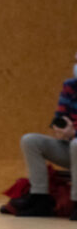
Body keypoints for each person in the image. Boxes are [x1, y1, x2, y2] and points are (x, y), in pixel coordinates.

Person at [13, 51, 77, 219]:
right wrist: (61, 130)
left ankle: (76, 201)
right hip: (70, 145)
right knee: (30, 140)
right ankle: (40, 198)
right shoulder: (70, 86)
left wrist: (74, 132)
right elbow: (61, 117)